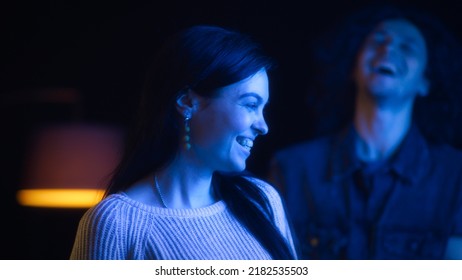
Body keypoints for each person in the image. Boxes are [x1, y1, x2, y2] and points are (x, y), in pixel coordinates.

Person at [70, 25, 297, 260]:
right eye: (250, 104)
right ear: (187, 102)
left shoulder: (261, 200)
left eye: (263, 108)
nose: (263, 126)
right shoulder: (117, 222)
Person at [269, 4, 462, 260]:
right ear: (353, 66)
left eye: (407, 47)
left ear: (426, 81)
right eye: (377, 41)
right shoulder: (293, 169)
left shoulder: (455, 176)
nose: (388, 49)